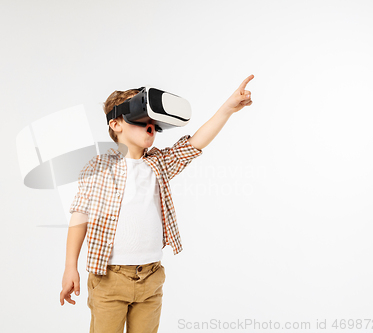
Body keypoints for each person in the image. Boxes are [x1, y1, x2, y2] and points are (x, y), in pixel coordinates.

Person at [60, 75, 254, 333]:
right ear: (116, 124)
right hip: (109, 279)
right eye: (141, 121)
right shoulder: (98, 168)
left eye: (153, 123)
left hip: (151, 277)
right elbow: (79, 216)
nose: (149, 127)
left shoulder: (159, 163)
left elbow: (195, 143)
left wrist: (228, 108)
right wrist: (70, 266)